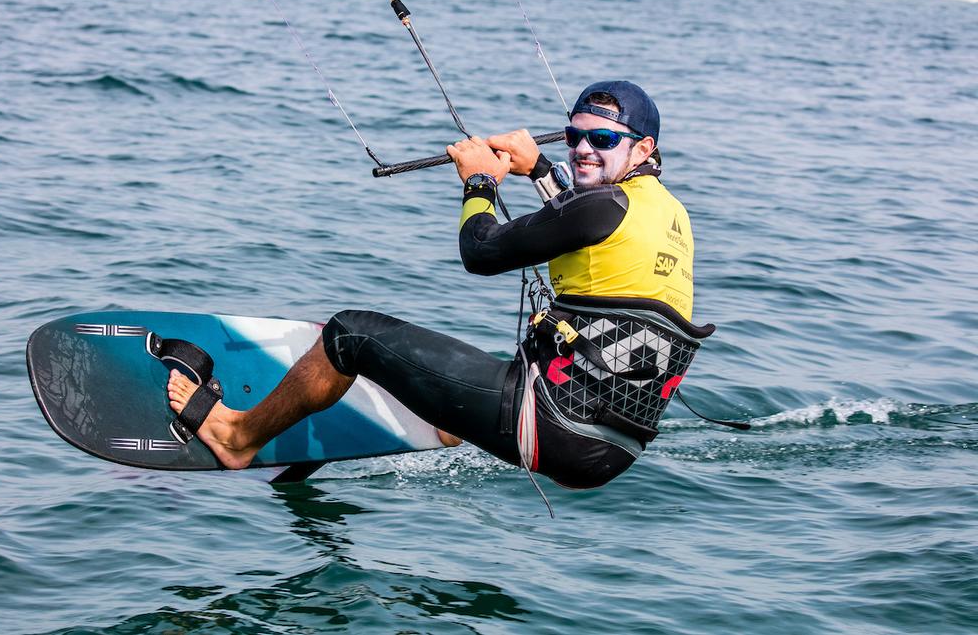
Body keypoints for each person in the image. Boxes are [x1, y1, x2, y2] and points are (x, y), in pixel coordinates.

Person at [165, 80, 714, 489]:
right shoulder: (667, 214)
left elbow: (481, 252)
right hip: (614, 447)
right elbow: (581, 220)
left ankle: (237, 438)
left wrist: (479, 182)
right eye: (574, 135)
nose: (583, 148)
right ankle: (449, 422)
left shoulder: (605, 205)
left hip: (554, 427)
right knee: (513, 357)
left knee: (349, 335)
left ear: (644, 150)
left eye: (602, 139)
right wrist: (541, 168)